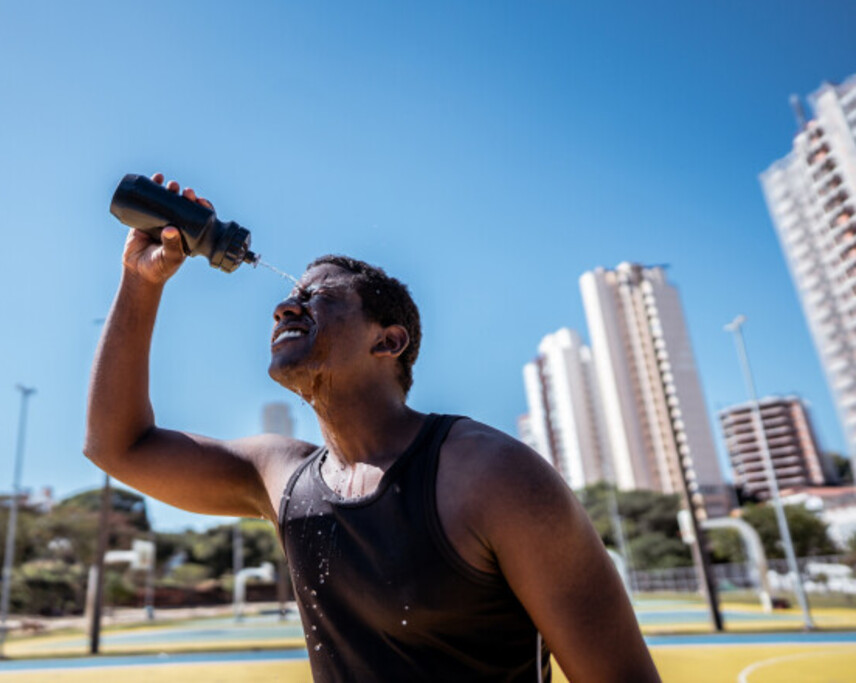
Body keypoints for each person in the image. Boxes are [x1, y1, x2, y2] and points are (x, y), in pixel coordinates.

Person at [84, 173, 660, 682]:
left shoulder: (491, 475)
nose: (287, 309)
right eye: (287, 300)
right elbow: (118, 447)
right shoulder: (282, 476)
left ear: (389, 341)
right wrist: (141, 282)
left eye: (318, 298)